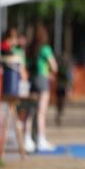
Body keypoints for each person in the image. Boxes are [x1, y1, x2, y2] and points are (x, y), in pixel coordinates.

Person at [28, 23, 58, 152]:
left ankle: (28, 139)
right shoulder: (45, 49)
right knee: (41, 112)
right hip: (42, 79)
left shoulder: (30, 48)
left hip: (32, 80)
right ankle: (41, 139)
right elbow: (54, 66)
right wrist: (49, 73)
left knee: (30, 111)